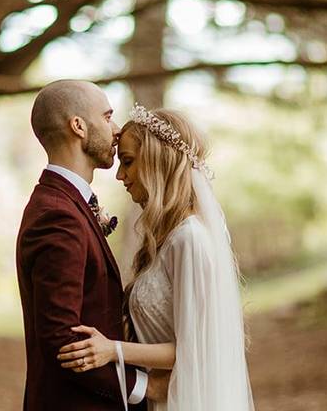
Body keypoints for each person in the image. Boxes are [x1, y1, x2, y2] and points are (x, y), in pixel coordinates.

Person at [56, 105, 255, 410]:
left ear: (158, 160)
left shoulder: (190, 239)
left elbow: (197, 348)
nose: (121, 175)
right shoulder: (167, 238)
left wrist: (112, 350)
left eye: (128, 162)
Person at [16, 81, 167, 410]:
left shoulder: (66, 204)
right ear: (78, 126)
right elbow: (62, 340)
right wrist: (146, 388)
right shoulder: (57, 215)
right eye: (108, 116)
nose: (116, 130)